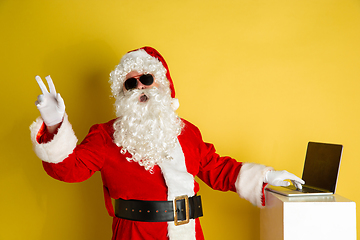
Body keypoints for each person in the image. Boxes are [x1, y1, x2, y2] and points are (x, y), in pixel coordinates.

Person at [30, 46, 304, 240]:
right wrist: (55, 123)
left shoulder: (187, 132)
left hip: (188, 234)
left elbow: (219, 170)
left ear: (161, 85)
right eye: (130, 84)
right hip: (134, 235)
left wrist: (267, 178)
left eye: (146, 79)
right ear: (122, 93)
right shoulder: (105, 135)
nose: (140, 87)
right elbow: (69, 170)